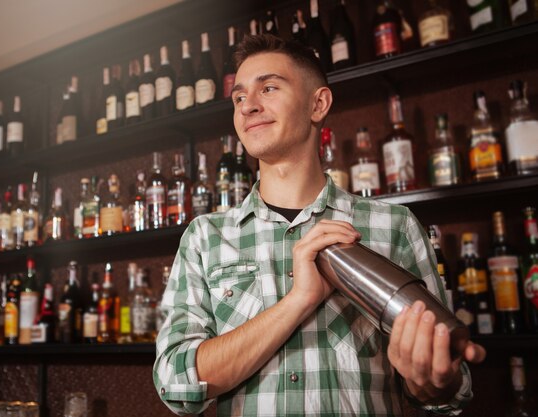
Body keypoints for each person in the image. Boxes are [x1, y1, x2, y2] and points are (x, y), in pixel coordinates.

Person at [153, 34, 485, 417]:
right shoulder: (205, 236)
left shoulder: (394, 226)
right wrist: (299, 300)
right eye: (239, 98)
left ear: (318, 104)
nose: (248, 107)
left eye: (269, 87)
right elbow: (175, 384)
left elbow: (448, 392)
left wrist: (430, 380)